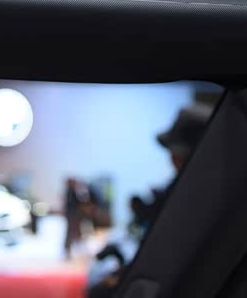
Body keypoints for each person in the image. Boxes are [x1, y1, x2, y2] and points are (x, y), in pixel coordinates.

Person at [87, 102, 214, 298]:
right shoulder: (187, 193)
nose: (172, 159)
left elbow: (165, 256)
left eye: (177, 153)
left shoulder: (191, 201)